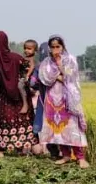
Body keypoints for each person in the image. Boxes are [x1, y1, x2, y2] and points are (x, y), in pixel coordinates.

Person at [36, 35, 89, 168]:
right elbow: (44, 77)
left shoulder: (70, 59)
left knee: (72, 127)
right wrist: (59, 76)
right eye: (52, 47)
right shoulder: (46, 62)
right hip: (53, 99)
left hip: (68, 99)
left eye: (57, 46)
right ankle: (65, 155)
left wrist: (60, 64)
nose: (55, 49)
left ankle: (80, 157)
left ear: (62, 46)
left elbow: (71, 76)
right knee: (58, 128)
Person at [0, 30, 34, 156]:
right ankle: (21, 149)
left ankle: (0, 151)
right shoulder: (16, 57)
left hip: (1, 98)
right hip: (17, 97)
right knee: (19, 119)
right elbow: (25, 73)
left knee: (2, 120)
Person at [21, 40, 46, 156]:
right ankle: (28, 146)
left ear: (35, 51)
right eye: (25, 48)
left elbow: (31, 77)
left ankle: (35, 145)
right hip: (26, 93)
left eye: (30, 48)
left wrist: (26, 77)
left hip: (32, 94)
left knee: (32, 120)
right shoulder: (23, 60)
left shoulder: (34, 63)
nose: (27, 50)